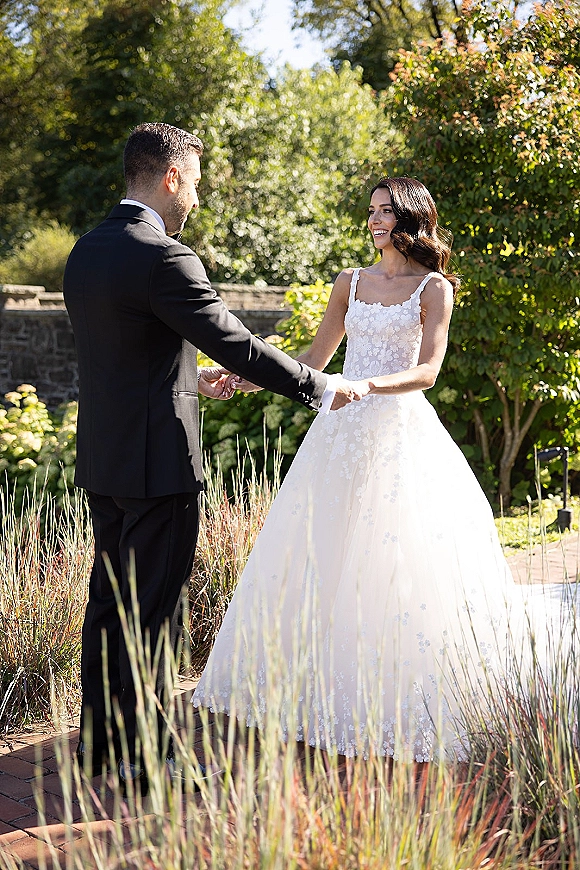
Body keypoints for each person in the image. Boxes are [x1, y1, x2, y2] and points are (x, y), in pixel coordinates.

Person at [63, 122, 363, 784]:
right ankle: (145, 760)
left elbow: (121, 355)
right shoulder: (164, 255)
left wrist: (189, 377)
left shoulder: (88, 249)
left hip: (106, 462)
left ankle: (101, 747)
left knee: (109, 607)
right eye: (194, 181)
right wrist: (319, 386)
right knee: (155, 615)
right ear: (171, 177)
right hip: (158, 465)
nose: (195, 196)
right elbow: (238, 344)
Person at [193, 176, 530, 762]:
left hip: (399, 433)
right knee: (323, 552)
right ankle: (307, 688)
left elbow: (428, 372)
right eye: (371, 211)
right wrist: (250, 378)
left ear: (411, 218)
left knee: (392, 560)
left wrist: (367, 384)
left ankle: (393, 695)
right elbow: (315, 359)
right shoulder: (348, 283)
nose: (374, 221)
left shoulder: (433, 288)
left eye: (385, 211)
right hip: (339, 435)